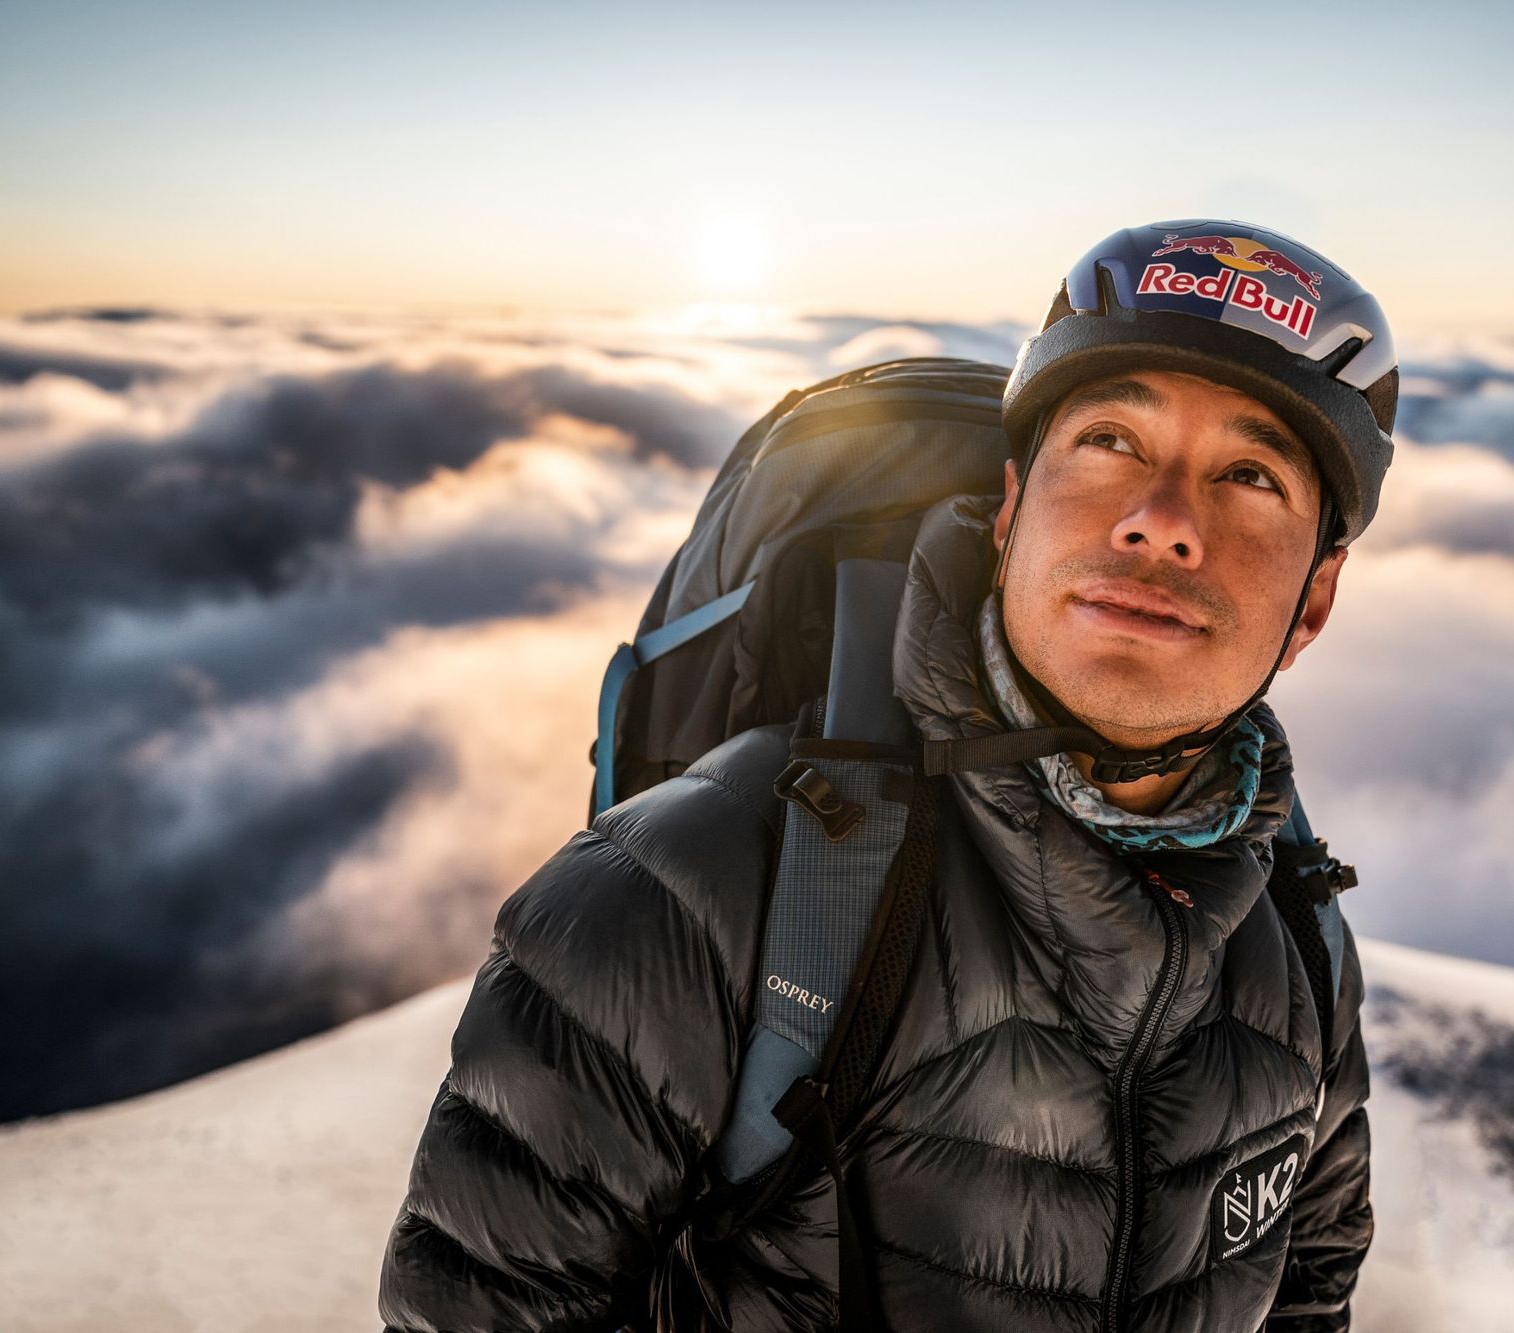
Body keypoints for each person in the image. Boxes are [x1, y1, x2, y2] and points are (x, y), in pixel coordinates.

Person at [378, 218, 1397, 1332]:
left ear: (1312, 601)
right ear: (1010, 512)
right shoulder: (683, 893)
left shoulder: (1294, 932)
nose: (1160, 524)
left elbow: (1309, 1287)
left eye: (1248, 475)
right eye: (1108, 441)